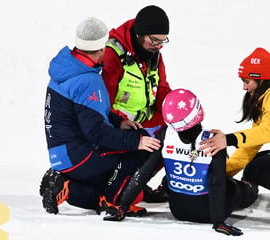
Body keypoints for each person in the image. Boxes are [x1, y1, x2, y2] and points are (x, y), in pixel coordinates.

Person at [40, 17, 161, 216]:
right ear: (101, 47)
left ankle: (68, 187)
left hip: (62, 155)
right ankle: (116, 202)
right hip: (80, 156)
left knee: (106, 185)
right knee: (144, 151)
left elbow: (85, 113)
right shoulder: (88, 80)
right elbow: (96, 132)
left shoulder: (67, 67)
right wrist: (136, 141)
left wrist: (119, 122)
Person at [102, 89, 258, 236]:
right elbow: (217, 184)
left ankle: (165, 188)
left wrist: (122, 207)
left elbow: (143, 173)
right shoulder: (214, 141)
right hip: (208, 214)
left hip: (178, 210)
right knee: (235, 187)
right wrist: (218, 222)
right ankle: (249, 186)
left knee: (168, 178)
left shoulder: (164, 135)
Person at [100, 5, 172, 202]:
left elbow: (162, 89)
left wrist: (179, 110)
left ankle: (138, 181)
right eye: (155, 40)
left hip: (144, 124)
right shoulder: (113, 54)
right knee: (149, 144)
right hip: (118, 127)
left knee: (173, 135)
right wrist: (122, 123)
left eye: (162, 40)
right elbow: (103, 101)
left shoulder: (153, 52)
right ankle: (120, 184)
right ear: (140, 34)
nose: (159, 46)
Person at [200, 47, 270, 189]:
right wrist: (223, 173)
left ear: (261, 80)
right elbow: (252, 144)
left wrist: (230, 139)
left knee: (257, 170)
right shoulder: (263, 99)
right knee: (255, 162)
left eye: (247, 81)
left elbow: (266, 131)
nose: (244, 87)